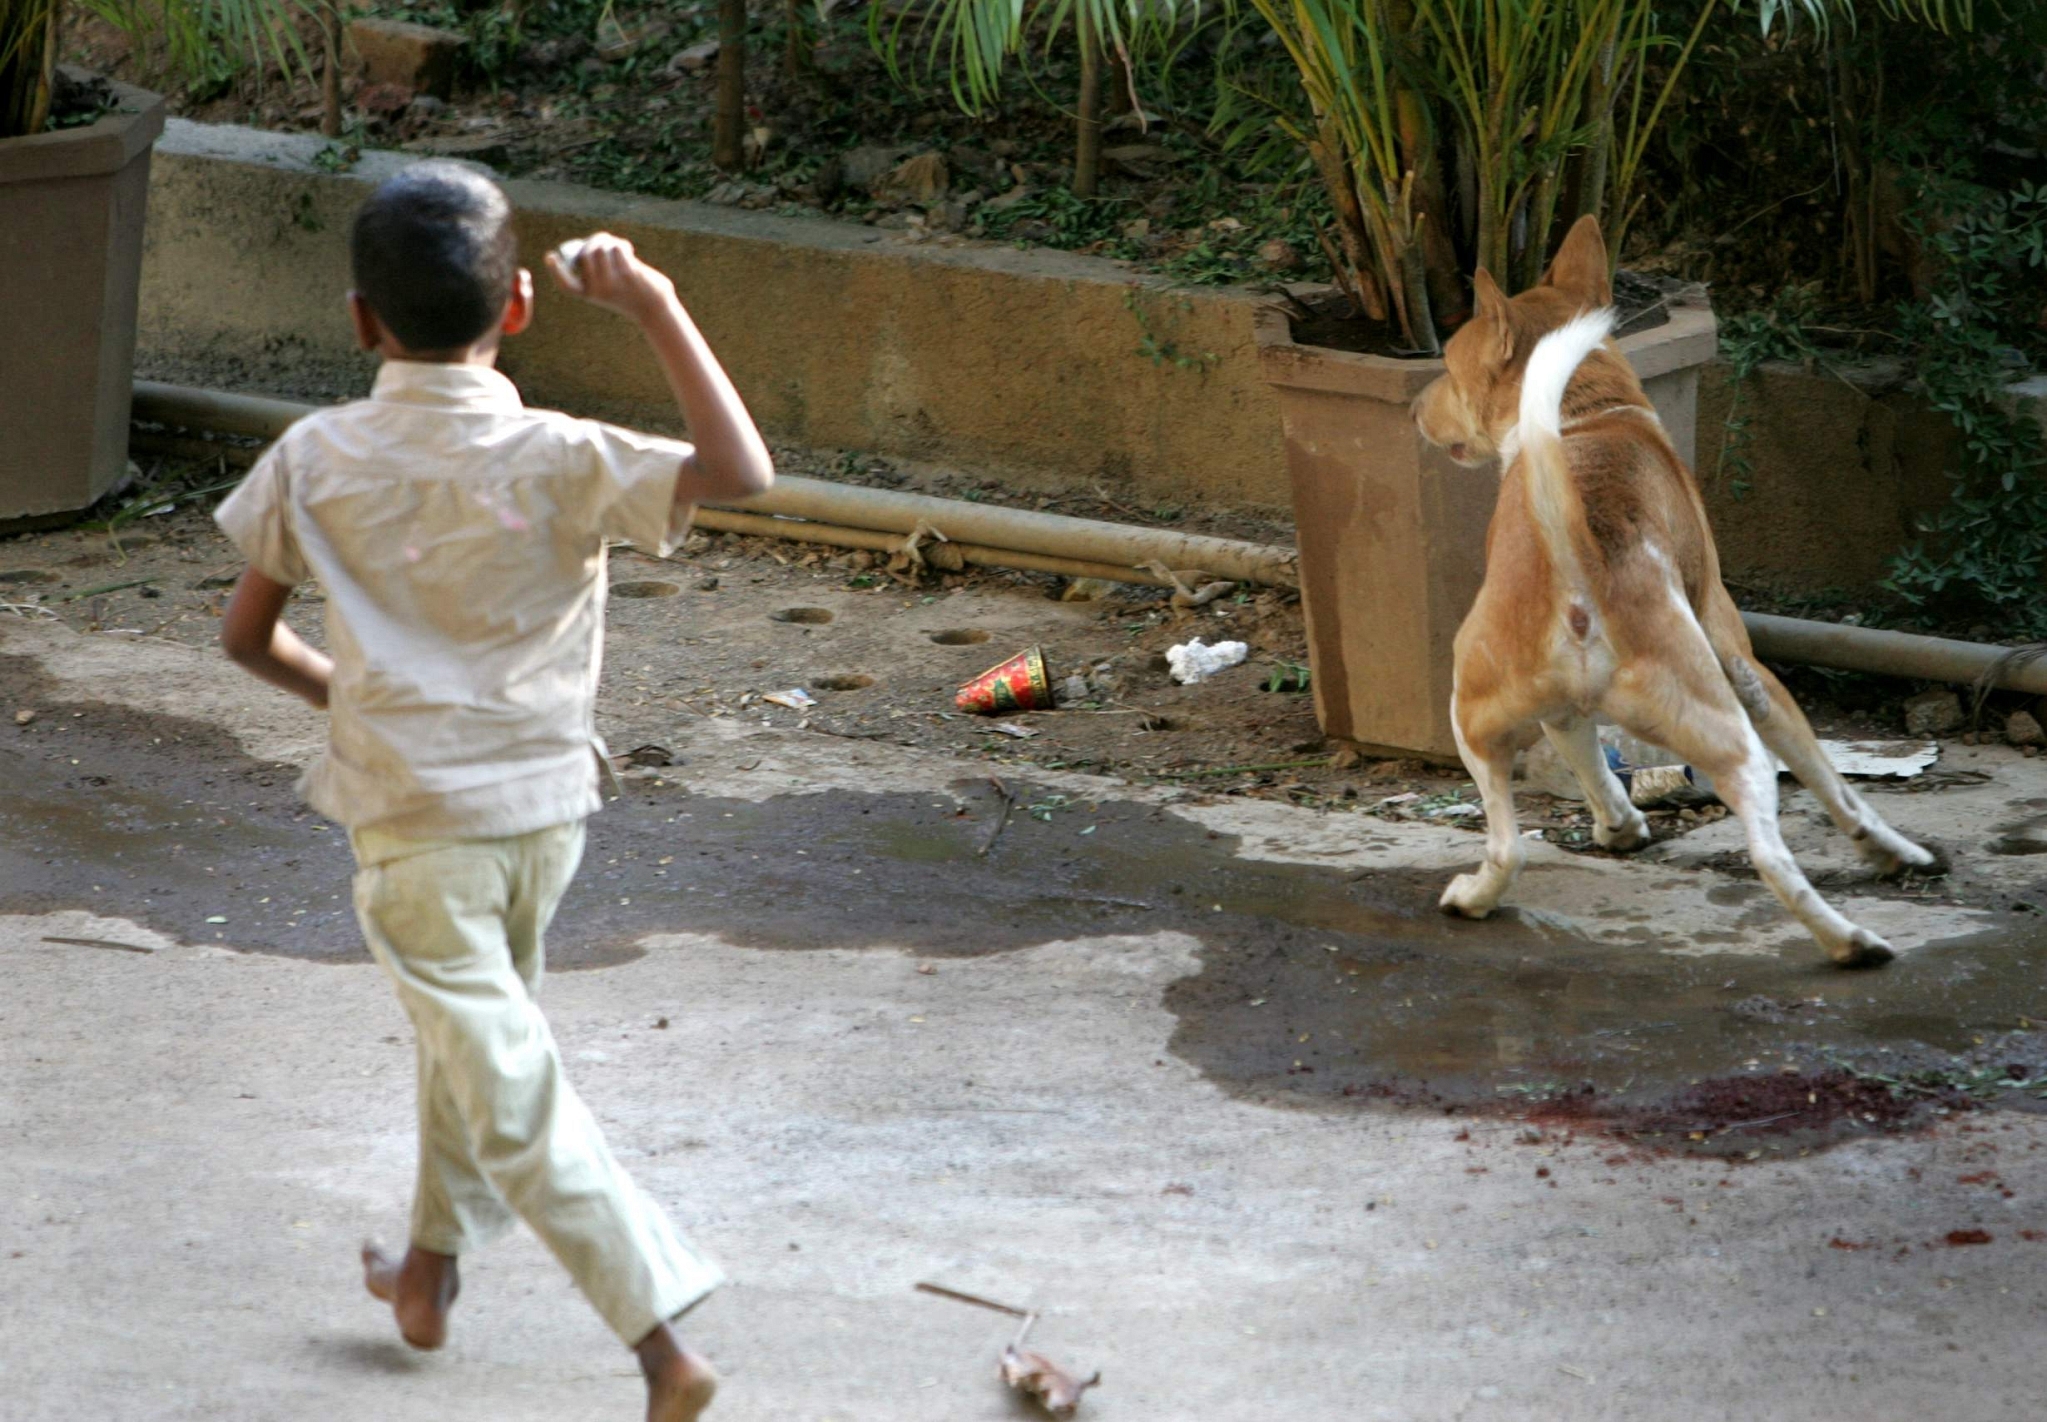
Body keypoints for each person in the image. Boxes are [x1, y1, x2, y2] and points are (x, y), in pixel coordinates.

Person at [214, 161, 772, 1422]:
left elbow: (245, 640)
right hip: (544, 821)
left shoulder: (313, 458)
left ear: (360, 319)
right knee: (475, 1047)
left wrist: (350, 703)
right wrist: (657, 305)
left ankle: (659, 1344)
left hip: (414, 835)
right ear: (517, 304)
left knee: (505, 1081)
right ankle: (427, 1274)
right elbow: (741, 473)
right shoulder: (561, 453)